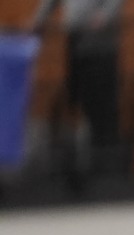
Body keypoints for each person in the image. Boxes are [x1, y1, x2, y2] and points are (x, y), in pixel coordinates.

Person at [32, 0, 127, 174]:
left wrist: (104, 16)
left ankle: (104, 157)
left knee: (102, 97)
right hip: (75, 39)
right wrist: (39, 20)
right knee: (80, 96)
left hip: (101, 42)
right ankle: (83, 154)